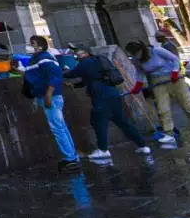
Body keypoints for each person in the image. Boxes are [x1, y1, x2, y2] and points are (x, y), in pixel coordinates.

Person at [64, 42, 150, 163]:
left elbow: (72, 74)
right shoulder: (96, 61)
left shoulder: (86, 63)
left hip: (101, 97)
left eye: (77, 51)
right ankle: (143, 146)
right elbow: (87, 80)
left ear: (85, 52)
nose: (75, 53)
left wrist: (63, 70)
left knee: (98, 122)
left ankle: (103, 150)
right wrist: (74, 84)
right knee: (124, 123)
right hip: (112, 93)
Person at [24, 35, 82, 172]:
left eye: (32, 44)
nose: (30, 46)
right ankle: (72, 156)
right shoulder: (37, 59)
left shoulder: (45, 58)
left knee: (57, 127)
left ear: (40, 46)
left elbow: (55, 76)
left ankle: (71, 158)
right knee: (60, 126)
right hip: (46, 95)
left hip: (51, 97)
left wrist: (48, 95)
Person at [126, 39, 190, 148]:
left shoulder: (157, 51)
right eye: (133, 54)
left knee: (188, 103)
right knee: (163, 108)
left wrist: (175, 71)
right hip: (157, 82)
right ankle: (169, 133)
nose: (135, 56)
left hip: (174, 79)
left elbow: (175, 59)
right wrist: (138, 85)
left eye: (136, 53)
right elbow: (140, 72)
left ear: (142, 49)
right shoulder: (136, 60)